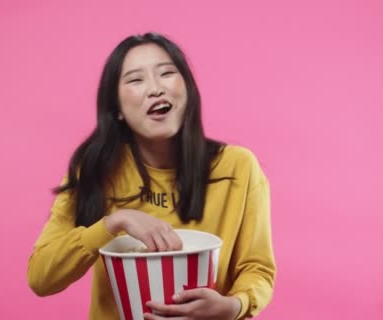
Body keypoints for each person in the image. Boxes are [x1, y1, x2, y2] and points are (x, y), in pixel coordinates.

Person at [27, 32, 276, 319]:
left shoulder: (238, 168)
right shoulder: (95, 171)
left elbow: (257, 270)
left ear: (188, 89)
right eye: (136, 80)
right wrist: (113, 222)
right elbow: (40, 277)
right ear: (117, 109)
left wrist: (233, 306)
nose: (155, 89)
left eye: (167, 73)